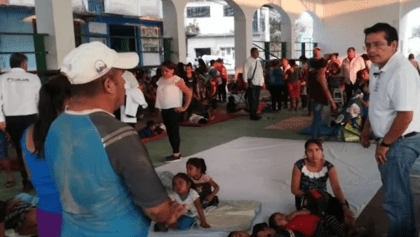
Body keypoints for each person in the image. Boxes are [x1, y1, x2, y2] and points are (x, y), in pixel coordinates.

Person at [45, 41, 184, 236]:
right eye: (121, 77)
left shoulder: (56, 126)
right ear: (108, 85)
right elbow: (156, 209)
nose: (124, 83)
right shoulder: (118, 134)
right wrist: (167, 215)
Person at [360, 22, 420, 237]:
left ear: (394, 44)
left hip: (400, 140)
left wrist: (384, 144)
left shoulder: (401, 71)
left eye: (378, 44)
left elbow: (405, 116)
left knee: (395, 198)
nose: (371, 50)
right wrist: (367, 128)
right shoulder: (377, 66)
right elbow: (376, 102)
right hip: (392, 137)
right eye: (368, 45)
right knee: (399, 193)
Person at [21, 75, 71, 237]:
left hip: (47, 216)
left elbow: (30, 175)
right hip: (75, 218)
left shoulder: (28, 133)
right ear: (67, 101)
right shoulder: (71, 131)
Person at [0, 53, 42, 192]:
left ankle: (27, 182)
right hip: (31, 117)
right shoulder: (33, 78)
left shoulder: (2, 79)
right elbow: (39, 100)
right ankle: (40, 180)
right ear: (24, 64)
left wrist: (1, 120)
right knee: (35, 149)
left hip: (11, 120)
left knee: (20, 151)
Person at [291, 139, 354, 226]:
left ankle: (346, 227)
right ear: (306, 153)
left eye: (317, 150)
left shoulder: (329, 167)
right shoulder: (299, 165)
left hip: (322, 198)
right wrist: (309, 196)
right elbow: (294, 190)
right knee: (320, 212)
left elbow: (336, 188)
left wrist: (344, 205)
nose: (314, 154)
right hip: (304, 198)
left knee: (341, 205)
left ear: (322, 152)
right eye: (310, 150)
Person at [156, 61, 193, 162]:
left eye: (166, 71)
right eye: (162, 71)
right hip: (164, 109)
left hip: (173, 109)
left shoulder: (176, 80)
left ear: (172, 70)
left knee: (174, 131)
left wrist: (184, 107)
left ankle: (176, 154)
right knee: (170, 132)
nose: (164, 73)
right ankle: (175, 152)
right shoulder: (161, 80)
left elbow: (189, 92)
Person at [307, 58, 337, 139]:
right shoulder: (320, 75)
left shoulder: (312, 73)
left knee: (317, 118)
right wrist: (332, 102)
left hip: (314, 97)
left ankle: (317, 135)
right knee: (317, 118)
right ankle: (315, 136)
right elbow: (326, 89)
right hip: (319, 98)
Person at [243, 48, 264, 120]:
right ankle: (252, 115)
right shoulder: (248, 61)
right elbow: (245, 72)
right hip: (252, 83)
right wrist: (245, 81)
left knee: (256, 100)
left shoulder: (258, 61)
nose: (258, 54)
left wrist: (262, 82)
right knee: (252, 99)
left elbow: (261, 73)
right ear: (252, 53)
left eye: (258, 52)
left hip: (258, 83)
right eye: (256, 52)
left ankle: (255, 113)